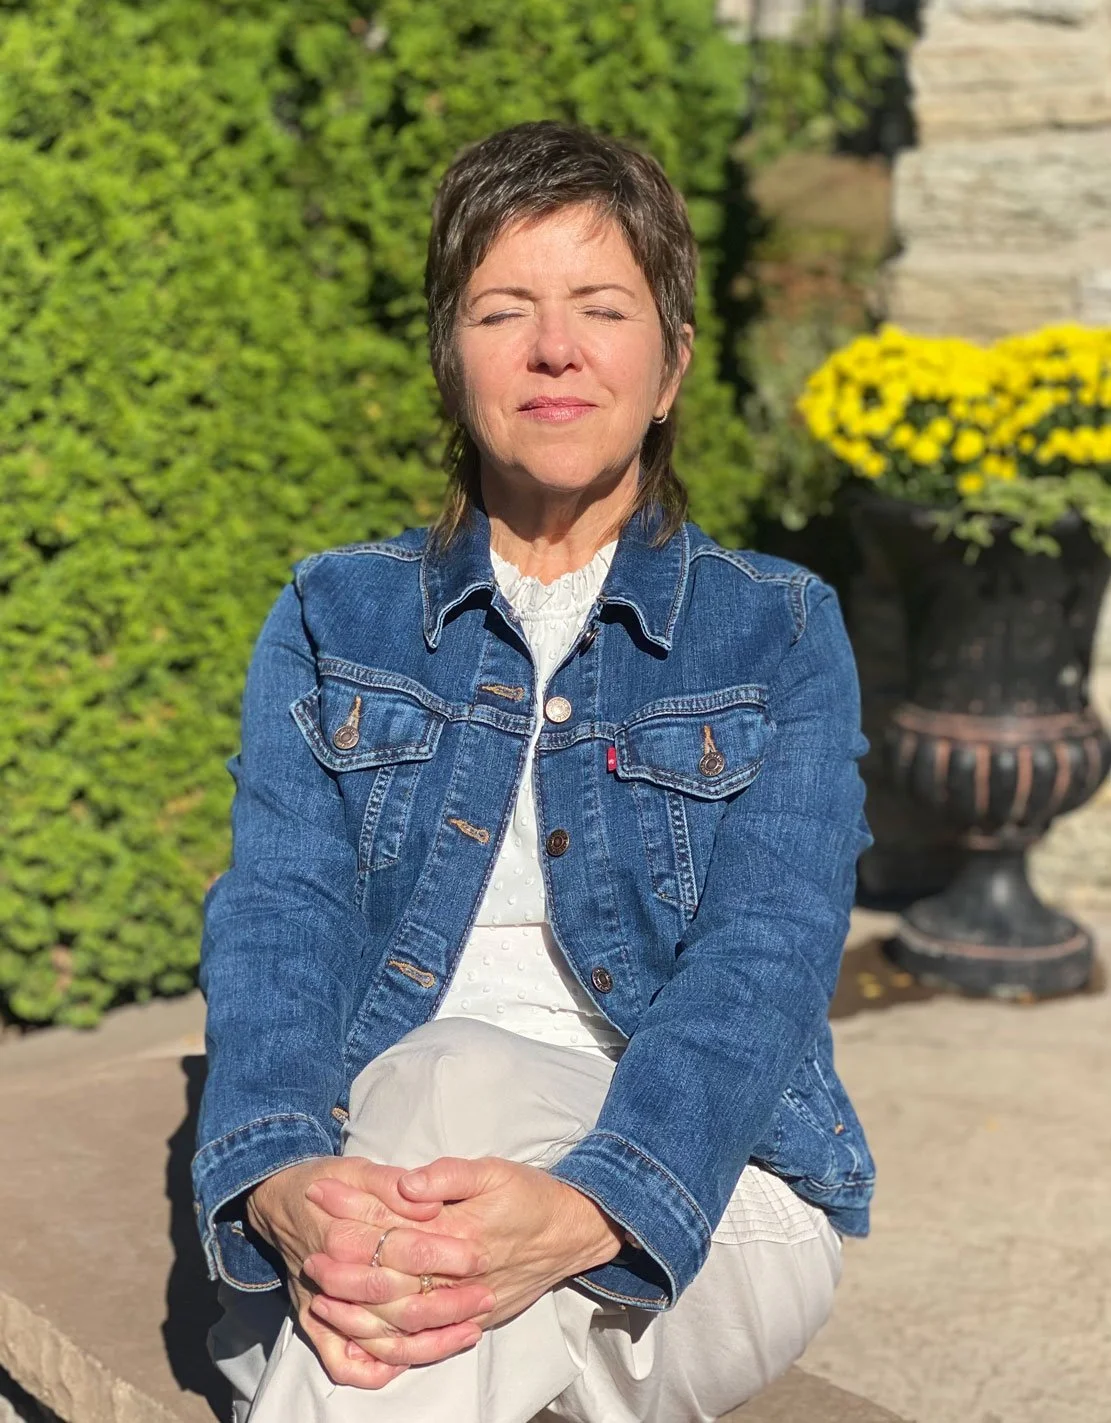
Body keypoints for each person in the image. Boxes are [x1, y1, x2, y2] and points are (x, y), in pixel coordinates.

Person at [192, 120, 874, 1423]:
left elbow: (763, 964)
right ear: (453, 366)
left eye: (599, 308)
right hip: (377, 1187)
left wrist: (585, 1205)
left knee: (439, 1150)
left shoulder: (777, 630)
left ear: (669, 363)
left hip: (699, 1208)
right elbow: (280, 912)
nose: (553, 349)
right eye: (503, 310)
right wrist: (275, 1170)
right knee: (441, 1096)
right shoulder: (337, 613)